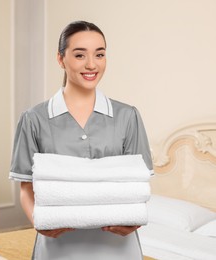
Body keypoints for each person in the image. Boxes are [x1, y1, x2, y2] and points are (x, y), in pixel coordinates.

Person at [9, 20, 153, 259]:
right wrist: (40, 221)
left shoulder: (128, 116)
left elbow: (139, 185)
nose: (91, 64)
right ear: (60, 59)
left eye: (100, 54)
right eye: (79, 55)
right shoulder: (34, 118)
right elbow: (26, 186)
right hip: (57, 247)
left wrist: (135, 221)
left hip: (118, 247)